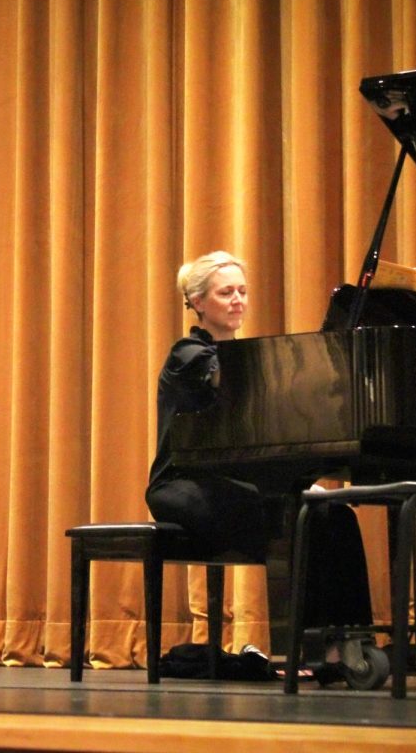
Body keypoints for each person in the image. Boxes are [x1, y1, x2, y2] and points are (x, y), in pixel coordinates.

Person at [145, 251, 373, 657]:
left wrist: (297, 484)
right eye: (226, 292)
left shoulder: (248, 360)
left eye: (243, 292)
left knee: (337, 516)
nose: (238, 300)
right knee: (296, 521)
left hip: (232, 485)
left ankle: (350, 640)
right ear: (198, 303)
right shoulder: (189, 354)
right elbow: (220, 387)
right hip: (182, 486)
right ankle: (303, 650)